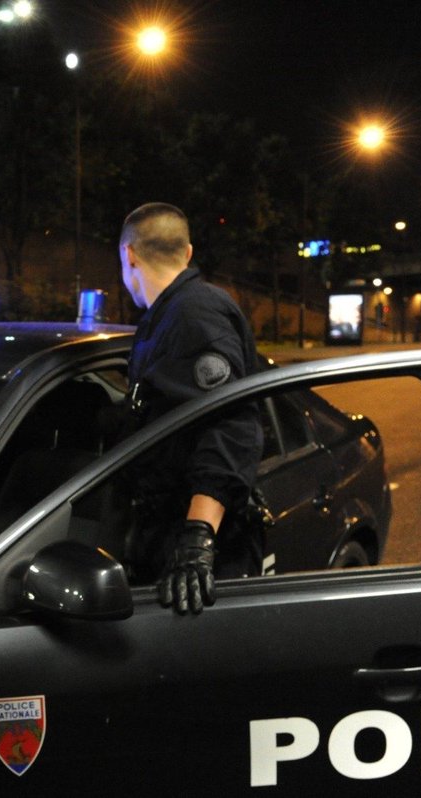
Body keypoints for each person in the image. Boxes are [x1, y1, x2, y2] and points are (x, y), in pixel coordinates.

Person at [117, 202, 263, 615]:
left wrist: (197, 542)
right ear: (187, 252)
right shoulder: (165, 316)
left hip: (202, 554)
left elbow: (230, 424)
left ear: (129, 255)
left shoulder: (194, 312)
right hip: (168, 533)